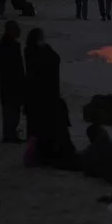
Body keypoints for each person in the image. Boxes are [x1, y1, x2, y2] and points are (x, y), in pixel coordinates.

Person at [24, 28, 77, 169]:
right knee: (40, 127)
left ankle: (39, 153)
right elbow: (48, 62)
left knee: (39, 127)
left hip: (41, 95)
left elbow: (54, 59)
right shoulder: (32, 53)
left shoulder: (34, 52)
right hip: (42, 96)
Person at [0, 20, 25, 143]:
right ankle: (9, 134)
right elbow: (13, 66)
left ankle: (10, 133)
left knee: (12, 109)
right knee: (11, 109)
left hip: (11, 82)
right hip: (11, 82)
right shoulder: (8, 46)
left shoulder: (7, 45)